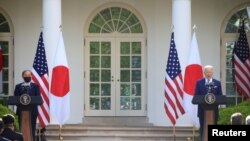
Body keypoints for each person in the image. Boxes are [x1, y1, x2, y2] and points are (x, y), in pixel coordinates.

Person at [194, 65, 223, 140]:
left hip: (214, 111)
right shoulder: (199, 83)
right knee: (203, 129)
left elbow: (220, 96)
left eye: (210, 72)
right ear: (204, 72)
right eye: (207, 72)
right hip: (202, 111)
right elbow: (196, 96)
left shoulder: (217, 83)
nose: (209, 74)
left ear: (212, 72)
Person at [14, 70, 41, 140]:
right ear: (23, 76)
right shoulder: (18, 86)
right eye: (26, 75)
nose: (27, 76)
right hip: (21, 111)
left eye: (29, 75)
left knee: (32, 128)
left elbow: (38, 98)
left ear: (31, 76)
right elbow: (15, 99)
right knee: (22, 127)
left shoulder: (35, 86)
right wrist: (22, 106)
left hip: (33, 111)